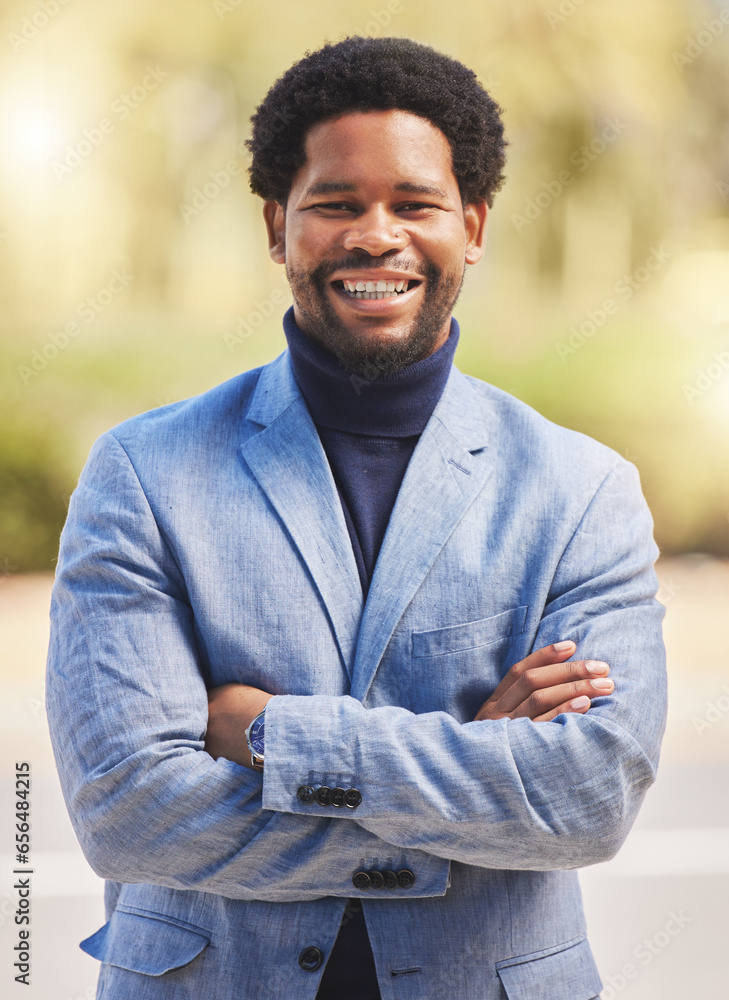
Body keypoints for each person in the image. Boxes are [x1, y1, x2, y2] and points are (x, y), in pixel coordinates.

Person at [46, 36, 667, 1000]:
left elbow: (586, 798)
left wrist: (268, 735)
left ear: (471, 223)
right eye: (336, 203)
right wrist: (473, 766)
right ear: (275, 224)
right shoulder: (142, 474)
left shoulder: (580, 489)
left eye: (413, 204)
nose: (375, 236)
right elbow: (130, 813)